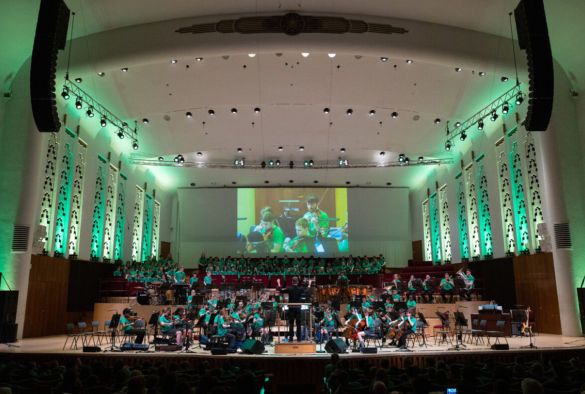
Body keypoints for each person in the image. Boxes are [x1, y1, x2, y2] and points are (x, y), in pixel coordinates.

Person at [280, 276, 305, 341]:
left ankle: (291, 338)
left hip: (291, 308)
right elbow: (307, 291)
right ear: (298, 282)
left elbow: (281, 290)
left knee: (291, 323)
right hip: (298, 308)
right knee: (298, 324)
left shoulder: (289, 288)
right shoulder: (300, 289)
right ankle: (299, 338)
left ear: (292, 281)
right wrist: (309, 284)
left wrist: (279, 283)